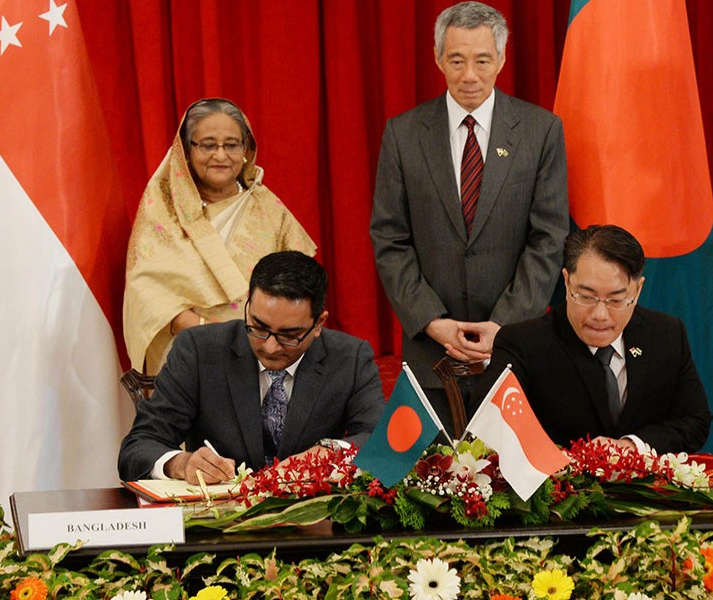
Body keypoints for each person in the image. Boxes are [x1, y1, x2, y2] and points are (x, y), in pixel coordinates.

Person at [370, 1, 569, 431]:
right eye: (456, 60)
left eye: (482, 60)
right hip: (431, 349)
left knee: (514, 482)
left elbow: (549, 237)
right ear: (438, 58)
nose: (469, 75)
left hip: (515, 344)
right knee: (433, 483)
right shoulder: (404, 134)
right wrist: (433, 321)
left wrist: (505, 325)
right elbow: (390, 238)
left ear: (500, 58)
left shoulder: (540, 131)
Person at [118, 251, 386, 484]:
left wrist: (329, 453)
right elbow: (139, 446)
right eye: (258, 328)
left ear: (319, 324)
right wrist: (181, 464)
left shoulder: (349, 357)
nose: (270, 347)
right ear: (248, 304)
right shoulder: (200, 350)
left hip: (313, 521)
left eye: (289, 335)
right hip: (219, 527)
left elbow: (381, 439)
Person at [476, 225, 712, 454]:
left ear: (637, 290)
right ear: (567, 282)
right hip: (562, 488)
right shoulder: (522, 343)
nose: (600, 315)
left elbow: (694, 421)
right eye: (586, 297)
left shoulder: (665, 334)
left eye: (616, 300)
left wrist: (632, 447)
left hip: (644, 489)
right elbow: (491, 429)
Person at [124, 98, 316, 375]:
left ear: (246, 149)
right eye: (208, 145)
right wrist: (212, 335)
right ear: (186, 151)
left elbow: (302, 284)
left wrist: (263, 339)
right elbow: (147, 294)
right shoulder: (163, 208)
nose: (221, 156)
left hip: (264, 350)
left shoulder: (268, 208)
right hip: (187, 348)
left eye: (231, 145)